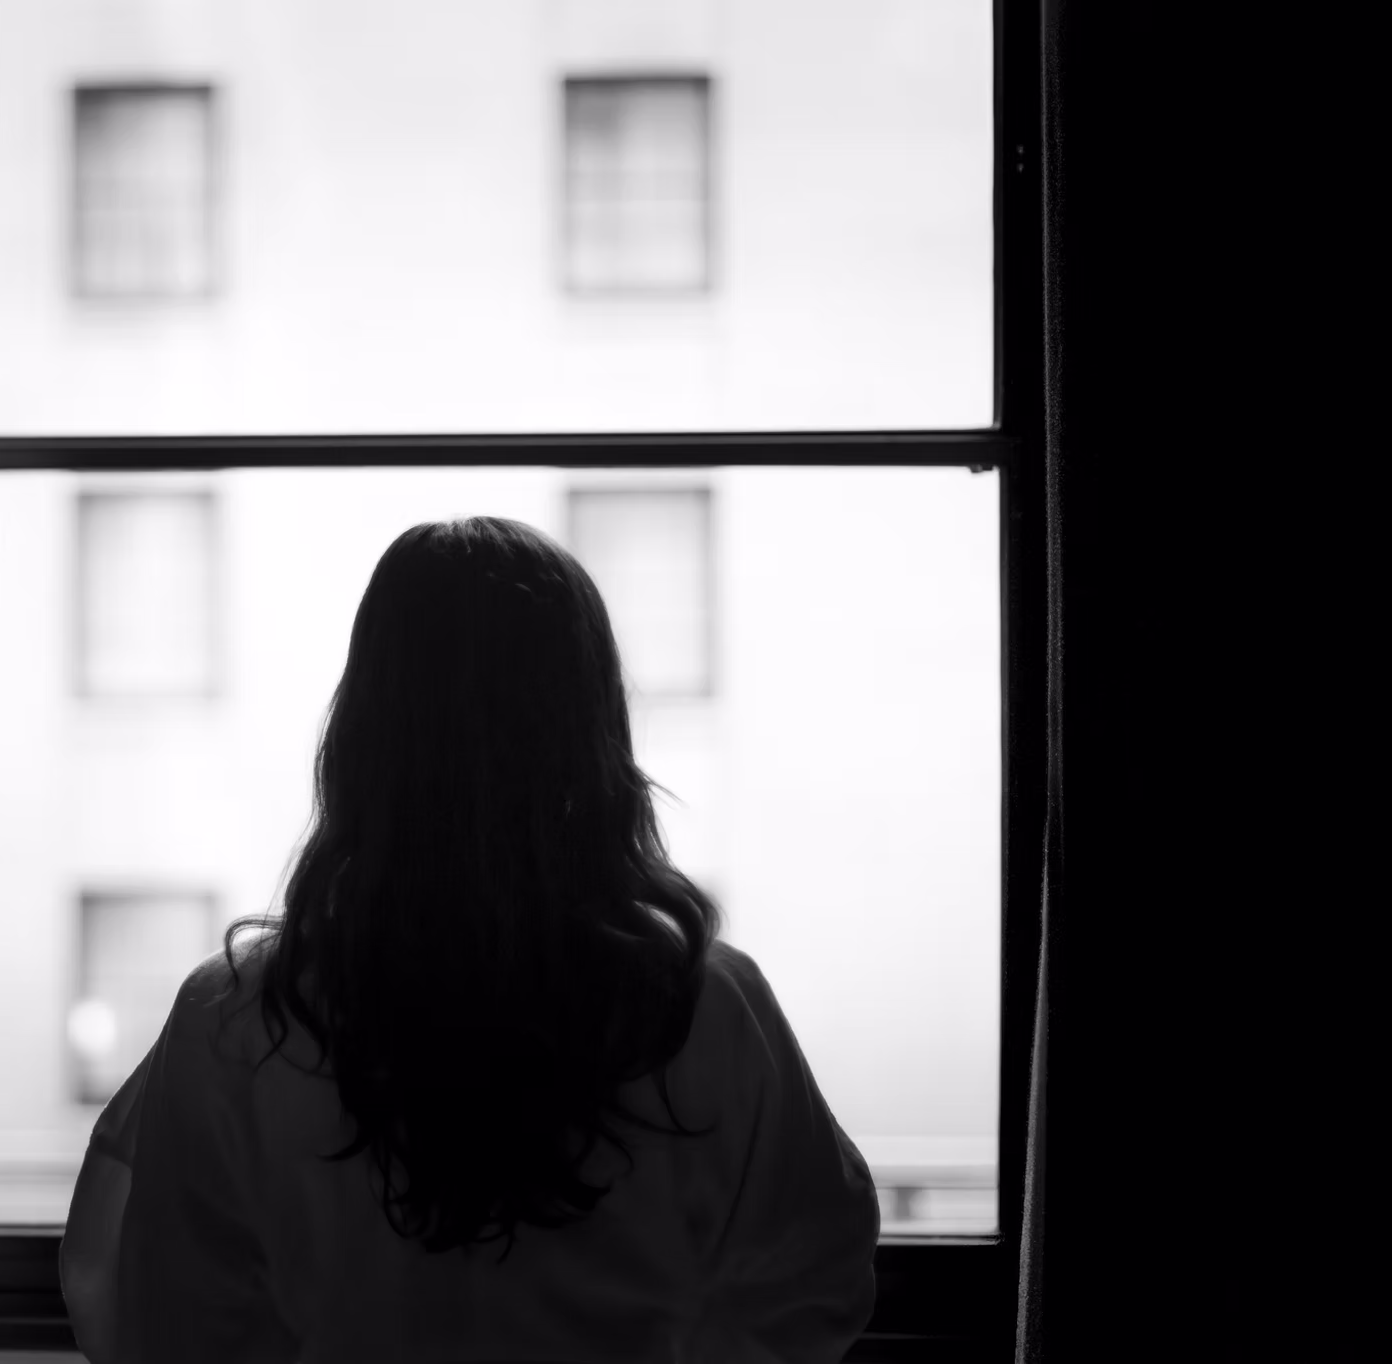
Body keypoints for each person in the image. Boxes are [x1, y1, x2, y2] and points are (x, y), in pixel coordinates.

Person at [61, 515, 879, 1362]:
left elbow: (170, 1313)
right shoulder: (707, 1005)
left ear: (363, 731)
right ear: (591, 731)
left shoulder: (240, 1019)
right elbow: (813, 1277)